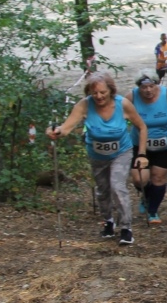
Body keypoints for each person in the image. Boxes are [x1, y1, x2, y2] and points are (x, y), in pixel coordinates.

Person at [48, 72, 149, 246]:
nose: (99, 96)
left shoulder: (122, 104)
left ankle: (126, 227)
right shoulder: (85, 105)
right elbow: (67, 127)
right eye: (95, 93)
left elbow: (141, 126)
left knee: (117, 186)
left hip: (121, 152)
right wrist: (56, 131)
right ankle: (109, 220)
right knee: (103, 191)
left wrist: (141, 154)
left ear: (110, 90)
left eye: (103, 92)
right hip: (97, 156)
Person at [129, 69, 167, 225]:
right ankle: (146, 196)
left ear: (157, 84)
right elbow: (118, 114)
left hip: (165, 144)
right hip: (139, 145)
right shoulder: (132, 97)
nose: (148, 90)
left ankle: (152, 211)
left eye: (151, 86)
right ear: (138, 87)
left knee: (159, 177)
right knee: (139, 179)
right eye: (144, 87)